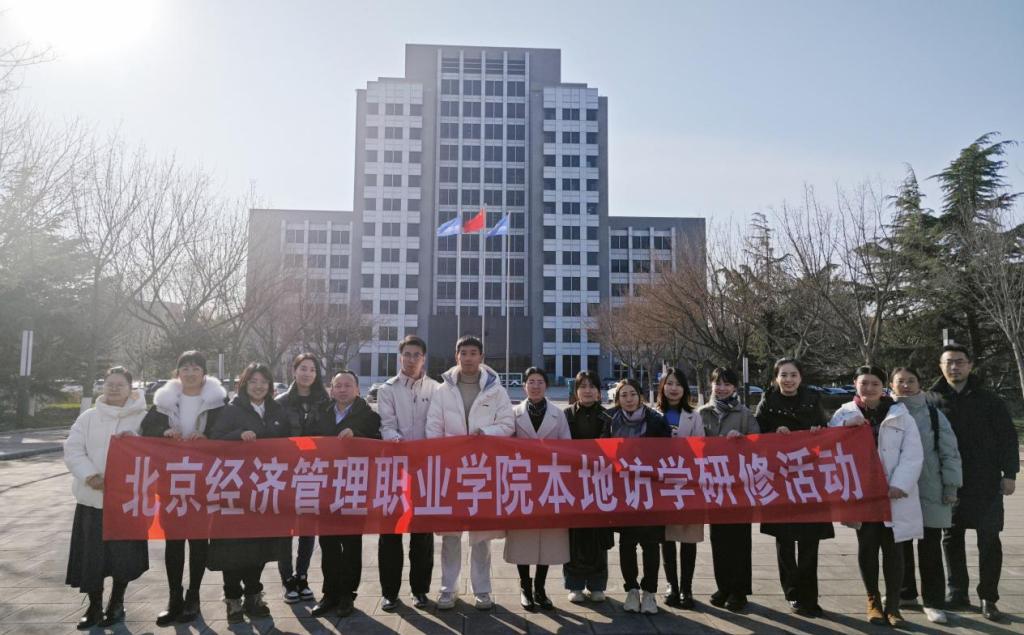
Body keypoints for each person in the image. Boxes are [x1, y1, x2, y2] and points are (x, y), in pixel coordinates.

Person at [425, 335, 514, 611]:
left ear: (481, 357)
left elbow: (507, 424)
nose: (468, 358)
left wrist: (485, 432)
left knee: (481, 536)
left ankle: (482, 590)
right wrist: (444, 455)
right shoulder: (442, 390)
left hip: (482, 470)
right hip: (451, 470)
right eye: (463, 353)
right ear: (456, 356)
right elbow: (433, 427)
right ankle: (447, 589)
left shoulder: (496, 391)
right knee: (450, 535)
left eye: (473, 353)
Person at [930, 344, 1018, 622]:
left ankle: (988, 598)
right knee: (951, 538)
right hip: (948, 482)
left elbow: (1007, 437)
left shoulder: (989, 400)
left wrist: (1010, 473)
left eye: (959, 361)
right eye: (948, 362)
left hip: (986, 481)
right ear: (940, 367)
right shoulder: (932, 399)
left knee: (989, 539)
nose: (954, 367)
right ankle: (957, 593)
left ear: (970, 365)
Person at [140, 350, 227, 626]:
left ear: (204, 373)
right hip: (172, 480)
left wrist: (208, 437)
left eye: (195, 368)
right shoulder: (164, 402)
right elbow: (145, 431)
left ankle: (194, 596)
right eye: (185, 368)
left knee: (199, 540)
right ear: (177, 373)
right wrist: (163, 433)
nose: (190, 373)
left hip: (204, 480)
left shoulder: (217, 403)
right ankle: (174, 597)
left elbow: (227, 435)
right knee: (174, 540)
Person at [831, 365, 923, 627]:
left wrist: (900, 484)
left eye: (875, 383)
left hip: (892, 492)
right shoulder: (843, 413)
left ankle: (893, 605)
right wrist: (846, 427)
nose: (869, 388)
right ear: (855, 384)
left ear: (884, 387)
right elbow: (829, 447)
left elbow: (912, 453)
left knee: (894, 549)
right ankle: (872, 600)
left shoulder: (900, 414)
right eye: (864, 383)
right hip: (862, 493)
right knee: (868, 546)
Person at [64, 367, 150, 630]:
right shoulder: (89, 417)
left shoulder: (143, 419)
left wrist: (137, 440)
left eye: (120, 384)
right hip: (94, 500)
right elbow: (73, 448)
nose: (113, 388)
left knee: (124, 556)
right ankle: (94, 606)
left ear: (130, 388)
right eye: (109, 384)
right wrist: (90, 476)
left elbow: (156, 450)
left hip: (127, 503)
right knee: (92, 556)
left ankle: (117, 601)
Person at [206, 362, 291, 624]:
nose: (258, 386)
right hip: (233, 490)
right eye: (253, 381)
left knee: (260, 546)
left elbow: (289, 441)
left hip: (263, 489)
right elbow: (215, 439)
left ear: (270, 385)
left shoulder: (277, 410)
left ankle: (254, 594)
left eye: (263, 381)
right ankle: (232, 598)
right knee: (231, 547)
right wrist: (238, 434)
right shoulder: (231, 410)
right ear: (244, 384)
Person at [755, 358, 834, 618]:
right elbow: (757, 435)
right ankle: (792, 592)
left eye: (793, 375)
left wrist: (819, 430)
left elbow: (827, 431)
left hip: (810, 480)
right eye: (783, 375)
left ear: (801, 378)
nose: (788, 380)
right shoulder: (767, 402)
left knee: (811, 539)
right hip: (781, 479)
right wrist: (772, 432)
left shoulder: (813, 399)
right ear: (775, 378)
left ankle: (810, 594)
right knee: (785, 540)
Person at [891, 366, 962, 624]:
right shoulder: (887, 413)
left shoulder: (933, 414)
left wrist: (951, 486)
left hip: (930, 489)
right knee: (900, 545)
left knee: (930, 547)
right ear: (892, 385)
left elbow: (949, 452)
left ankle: (933, 601)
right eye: (901, 381)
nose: (906, 385)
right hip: (898, 490)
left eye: (911, 380)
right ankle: (905, 593)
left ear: (920, 384)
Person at [309, 370, 382, 618]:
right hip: (326, 485)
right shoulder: (320, 413)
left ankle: (347, 595)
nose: (342, 389)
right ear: (331, 389)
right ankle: (329, 593)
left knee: (350, 543)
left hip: (354, 486)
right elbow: (307, 441)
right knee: (327, 542)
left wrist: (355, 434)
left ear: (358, 389)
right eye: (337, 385)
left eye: (347, 385)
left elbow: (376, 442)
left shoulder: (369, 416)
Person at [377, 335, 440, 611]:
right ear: (400, 357)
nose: (412, 359)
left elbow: (437, 424)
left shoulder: (437, 389)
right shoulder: (387, 389)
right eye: (407, 354)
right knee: (391, 532)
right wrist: (399, 443)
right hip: (395, 468)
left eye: (417, 355)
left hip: (426, 470)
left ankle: (420, 590)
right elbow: (386, 424)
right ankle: (390, 592)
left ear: (424, 358)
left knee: (422, 533)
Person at [505, 367, 571, 611]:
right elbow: (504, 447)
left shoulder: (558, 414)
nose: (535, 386)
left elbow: (567, 448)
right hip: (522, 483)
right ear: (524, 386)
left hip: (549, 483)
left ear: (546, 385)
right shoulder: (513, 413)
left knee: (548, 538)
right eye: (531, 381)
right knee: (524, 537)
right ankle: (525, 586)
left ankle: (540, 588)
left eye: (539, 382)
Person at [604, 377, 671, 615]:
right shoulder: (609, 419)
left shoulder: (656, 420)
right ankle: (631, 589)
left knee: (651, 544)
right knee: (627, 543)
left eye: (633, 394)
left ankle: (649, 592)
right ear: (617, 399)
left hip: (651, 490)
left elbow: (668, 453)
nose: (629, 399)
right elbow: (601, 450)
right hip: (623, 490)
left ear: (640, 396)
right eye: (623, 395)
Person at [699, 367, 758, 612]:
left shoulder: (744, 414)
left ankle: (739, 591)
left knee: (740, 539)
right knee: (719, 538)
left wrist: (743, 440)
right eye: (718, 383)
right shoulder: (702, 413)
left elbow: (759, 444)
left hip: (740, 486)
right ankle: (723, 586)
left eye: (727, 384)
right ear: (711, 385)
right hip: (714, 486)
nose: (722, 388)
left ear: (734, 388)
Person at [274, 352, 331, 604]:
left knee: (308, 528)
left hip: (313, 473)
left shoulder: (325, 401)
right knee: (285, 529)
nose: (307, 373)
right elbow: (273, 436)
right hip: (286, 473)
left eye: (312, 369)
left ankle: (302, 576)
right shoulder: (280, 403)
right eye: (303, 368)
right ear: (294, 371)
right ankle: (287, 580)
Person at [562, 370, 615, 604]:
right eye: (582, 386)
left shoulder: (608, 416)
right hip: (572, 483)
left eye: (592, 386)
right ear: (576, 391)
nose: (587, 390)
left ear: (599, 391)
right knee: (574, 535)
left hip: (600, 483)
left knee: (598, 536)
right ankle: (574, 584)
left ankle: (597, 585)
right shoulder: (566, 416)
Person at [653, 368, 704, 610]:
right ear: (662, 387)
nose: (673, 388)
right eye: (669, 383)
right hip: (662, 484)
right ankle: (671, 585)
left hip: (687, 483)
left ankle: (687, 587)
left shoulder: (694, 416)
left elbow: (702, 448)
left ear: (685, 389)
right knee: (667, 538)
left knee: (688, 537)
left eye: (678, 384)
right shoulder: (654, 414)